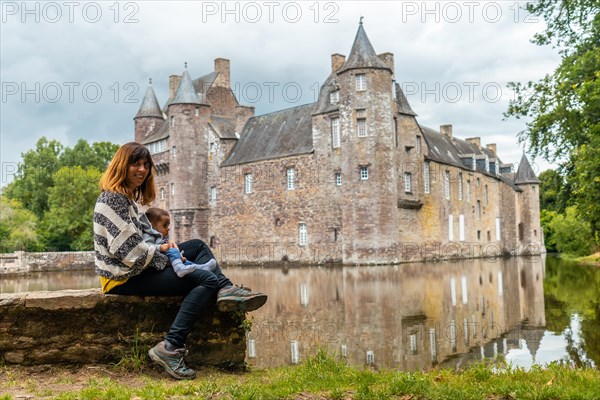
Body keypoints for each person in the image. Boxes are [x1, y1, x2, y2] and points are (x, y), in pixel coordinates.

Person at [93, 142, 267, 380]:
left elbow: (137, 248)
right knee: (205, 280)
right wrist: (165, 255)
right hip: (121, 277)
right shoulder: (114, 199)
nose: (142, 170)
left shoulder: (126, 199)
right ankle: (170, 347)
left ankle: (226, 289)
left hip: (133, 269)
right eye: (135, 163)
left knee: (196, 246)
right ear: (122, 165)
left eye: (146, 165)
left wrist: (167, 253)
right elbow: (128, 252)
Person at [142, 207, 217, 277]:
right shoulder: (148, 236)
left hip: (165, 259)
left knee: (186, 262)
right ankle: (180, 269)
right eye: (164, 226)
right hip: (157, 262)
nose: (168, 229)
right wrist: (160, 247)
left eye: (168, 226)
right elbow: (146, 247)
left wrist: (179, 257)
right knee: (172, 251)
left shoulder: (160, 236)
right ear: (152, 226)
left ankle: (202, 268)